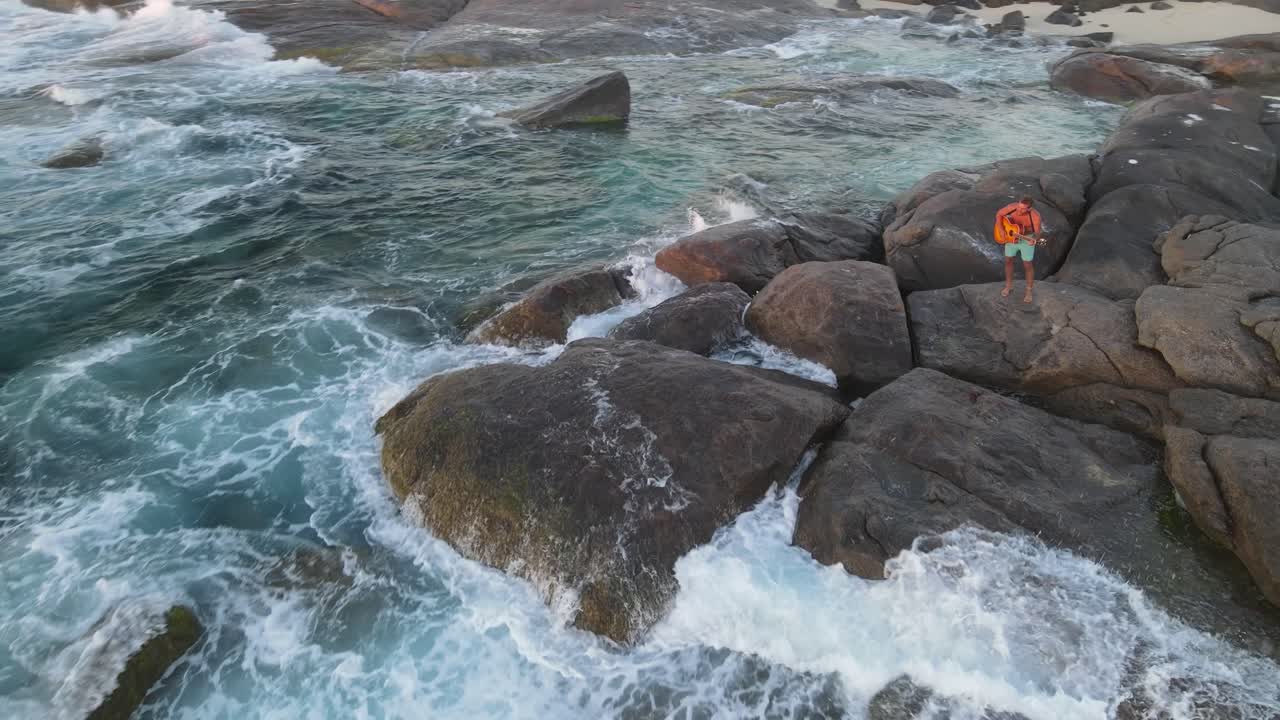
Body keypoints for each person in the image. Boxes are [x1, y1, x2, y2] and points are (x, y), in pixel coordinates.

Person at [994, 196, 1045, 303]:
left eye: (1023, 209)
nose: (1019, 210)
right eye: (1019, 206)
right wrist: (1001, 229)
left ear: (1029, 209)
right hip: (1011, 238)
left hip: (1026, 239)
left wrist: (1034, 239)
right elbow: (999, 214)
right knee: (1008, 261)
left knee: (1027, 264)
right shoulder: (1013, 207)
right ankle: (1009, 286)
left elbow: (1037, 232)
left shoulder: (1035, 216)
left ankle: (1029, 291)